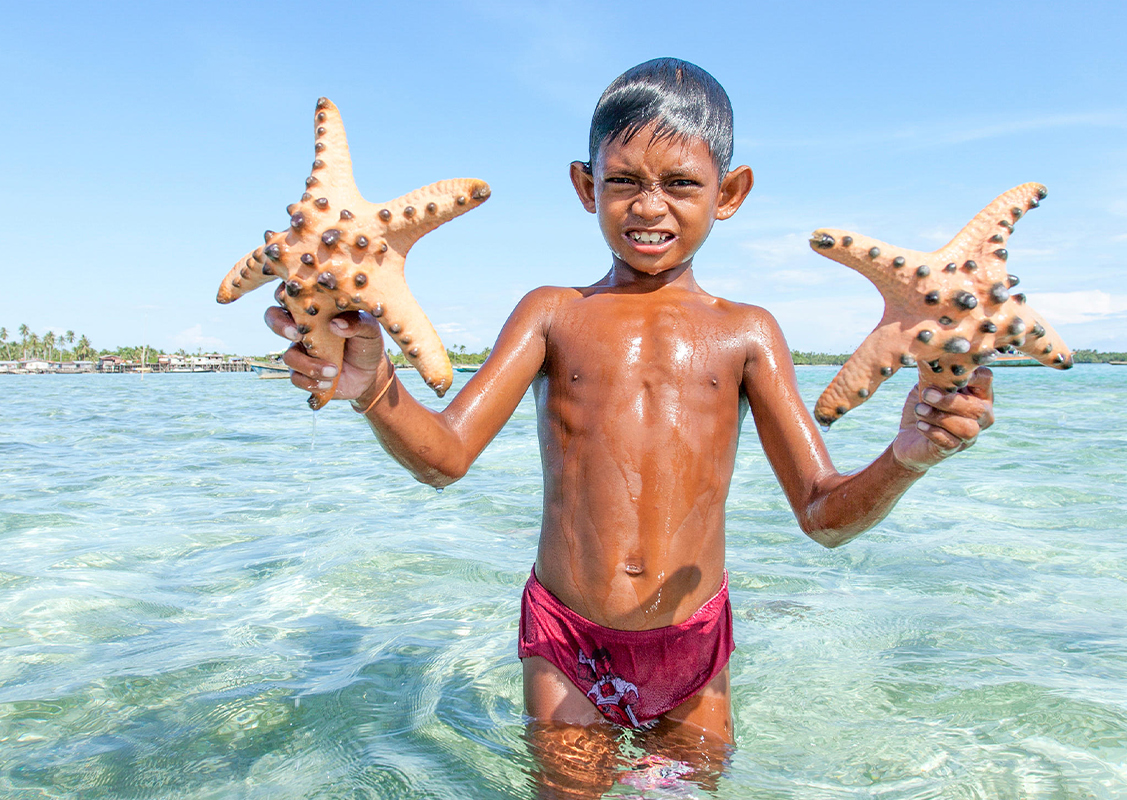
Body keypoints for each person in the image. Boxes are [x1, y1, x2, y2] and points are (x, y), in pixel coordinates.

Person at [264, 57, 995, 796]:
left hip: (694, 644)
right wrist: (373, 385)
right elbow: (445, 458)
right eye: (624, 182)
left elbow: (823, 515)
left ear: (730, 193)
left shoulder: (747, 333)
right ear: (587, 187)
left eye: (681, 184)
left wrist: (910, 456)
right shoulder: (553, 313)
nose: (651, 207)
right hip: (567, 639)